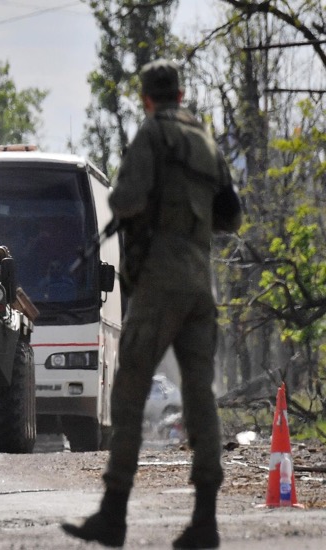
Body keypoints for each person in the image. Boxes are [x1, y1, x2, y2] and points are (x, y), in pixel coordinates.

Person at [61, 59, 242, 549]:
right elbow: (231, 214)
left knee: (129, 389)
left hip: (159, 281)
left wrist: (150, 212)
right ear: (180, 94)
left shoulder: (151, 135)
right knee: (200, 394)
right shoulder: (205, 141)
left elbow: (123, 200)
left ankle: (114, 514)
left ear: (147, 97)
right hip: (200, 284)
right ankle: (205, 519)